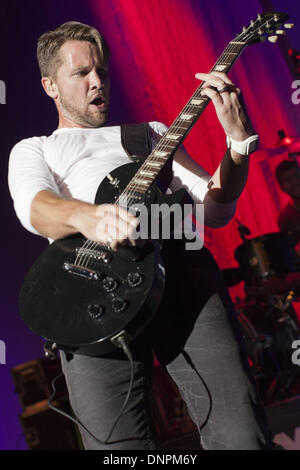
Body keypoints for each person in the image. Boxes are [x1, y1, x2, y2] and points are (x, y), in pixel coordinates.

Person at [8, 21, 273, 450]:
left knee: (240, 432)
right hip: (91, 298)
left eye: (103, 72)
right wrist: (91, 218)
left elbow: (216, 209)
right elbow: (33, 207)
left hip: (180, 278)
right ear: (50, 85)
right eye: (81, 74)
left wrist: (238, 145)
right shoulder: (35, 149)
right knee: (119, 451)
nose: (98, 83)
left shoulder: (149, 134)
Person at [276, 159, 300, 255]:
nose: (295, 182)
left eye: (297, 176)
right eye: (289, 180)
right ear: (282, 187)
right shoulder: (285, 219)